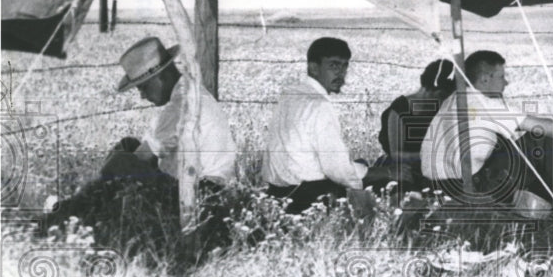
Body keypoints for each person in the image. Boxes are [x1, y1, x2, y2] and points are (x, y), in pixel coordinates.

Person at [40, 37, 237, 246]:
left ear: (163, 76)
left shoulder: (179, 105)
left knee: (121, 164)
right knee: (126, 147)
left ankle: (70, 214)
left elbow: (140, 158)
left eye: (143, 87)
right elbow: (145, 150)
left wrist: (115, 172)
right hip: (204, 188)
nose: (142, 96)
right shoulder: (188, 91)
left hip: (202, 197)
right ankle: (82, 207)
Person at [420, 50, 553, 207]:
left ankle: (548, 200)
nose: (506, 82)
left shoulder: (455, 98)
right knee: (540, 144)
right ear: (485, 79)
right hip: (467, 187)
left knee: (508, 144)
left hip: (433, 185)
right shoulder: (485, 104)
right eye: (501, 76)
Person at [263, 37, 381, 213]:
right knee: (378, 184)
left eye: (344, 66)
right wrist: (382, 173)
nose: (340, 73)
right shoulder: (319, 104)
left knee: (360, 168)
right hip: (308, 198)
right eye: (333, 65)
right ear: (314, 67)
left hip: (276, 194)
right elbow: (337, 168)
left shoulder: (290, 95)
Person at [375, 59, 456, 188]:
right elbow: (396, 154)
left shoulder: (441, 109)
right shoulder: (399, 110)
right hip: (401, 169)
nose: (442, 102)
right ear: (429, 87)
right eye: (440, 96)